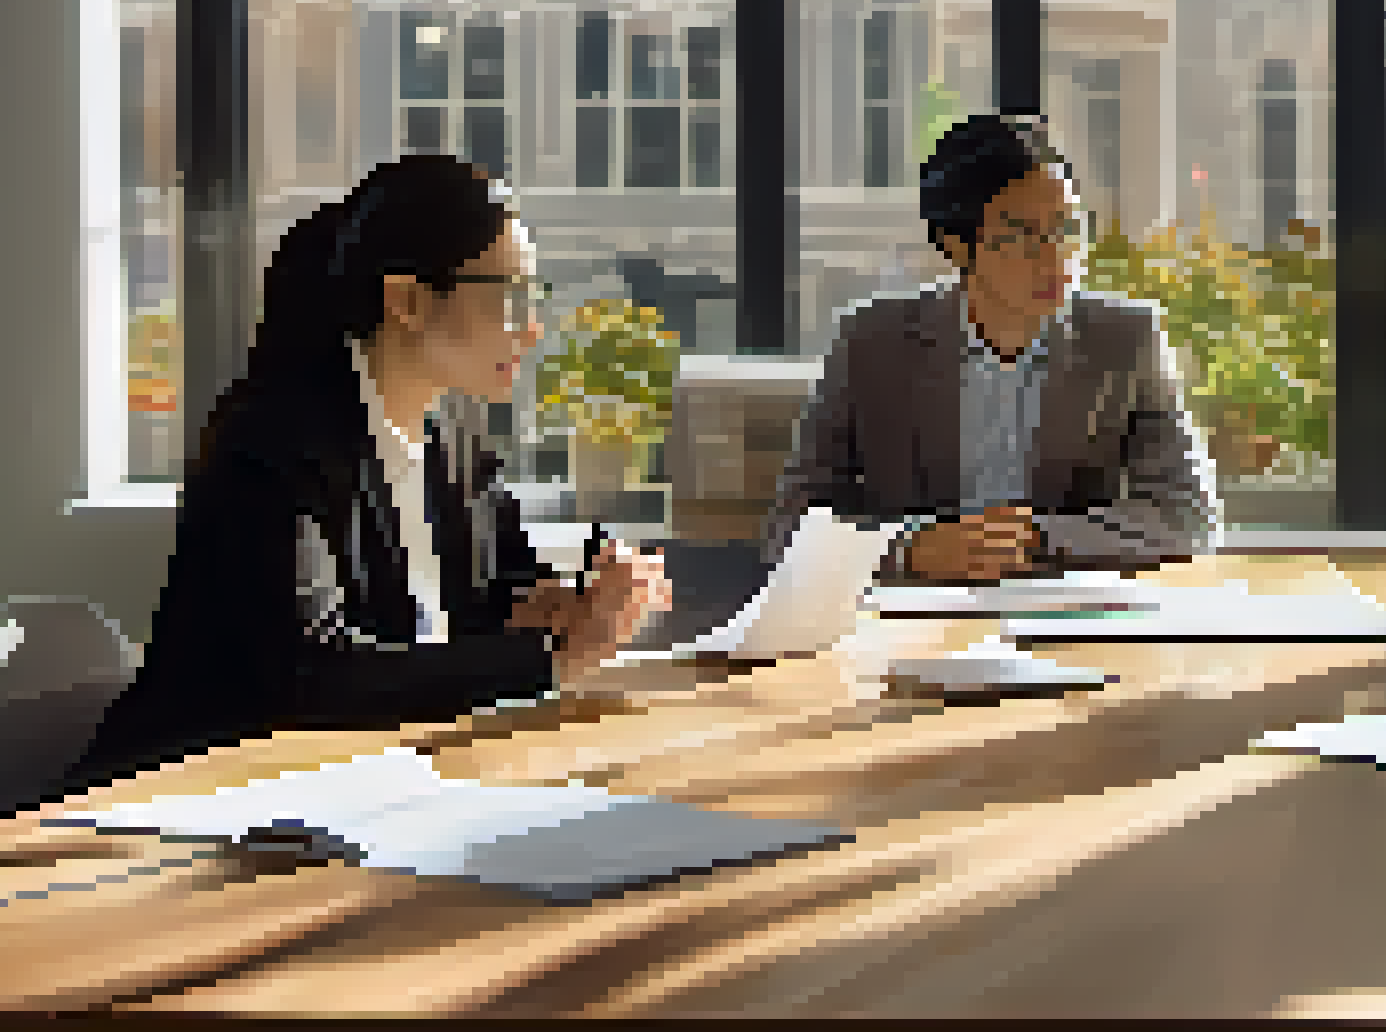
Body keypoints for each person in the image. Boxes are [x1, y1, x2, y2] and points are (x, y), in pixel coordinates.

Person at [58, 155, 671, 798]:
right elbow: (314, 676)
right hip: (180, 802)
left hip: (353, 787)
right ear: (407, 302)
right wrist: (552, 656)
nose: (532, 327)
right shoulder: (273, 447)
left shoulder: (454, 437)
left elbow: (494, 598)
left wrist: (563, 605)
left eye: (532, 296)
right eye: (507, 297)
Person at [762, 113, 1219, 582]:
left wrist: (1034, 538)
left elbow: (1190, 518)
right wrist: (911, 549)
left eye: (1067, 228)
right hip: (915, 606)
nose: (1056, 256)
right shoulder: (873, 341)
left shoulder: (1125, 338)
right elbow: (791, 524)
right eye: (1023, 236)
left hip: (1062, 602)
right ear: (957, 246)